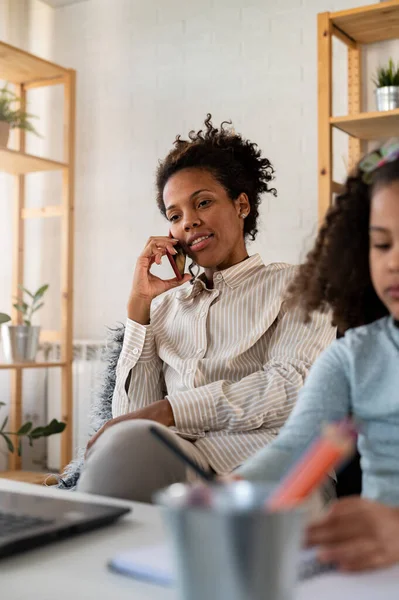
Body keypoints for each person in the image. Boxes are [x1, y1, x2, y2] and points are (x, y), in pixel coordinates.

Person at [77, 115, 335, 502]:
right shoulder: (165, 308)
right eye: (175, 215)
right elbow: (133, 420)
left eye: (203, 202)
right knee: (124, 448)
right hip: (178, 466)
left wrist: (170, 411)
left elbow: (292, 388)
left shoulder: (301, 284)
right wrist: (140, 311)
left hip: (268, 465)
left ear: (242, 204)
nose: (189, 222)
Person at [236, 139, 399, 572]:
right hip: (373, 569)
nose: (394, 262)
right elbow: (294, 448)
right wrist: (234, 490)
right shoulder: (353, 357)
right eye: (382, 245)